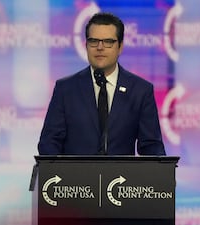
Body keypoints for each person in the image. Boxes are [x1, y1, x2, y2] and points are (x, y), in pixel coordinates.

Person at [38, 12, 166, 156]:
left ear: (120, 46)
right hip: (77, 177)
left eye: (108, 42)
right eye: (94, 41)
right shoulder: (66, 89)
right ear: (86, 45)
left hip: (122, 178)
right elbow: (49, 144)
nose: (100, 47)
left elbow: (151, 147)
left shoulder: (140, 91)